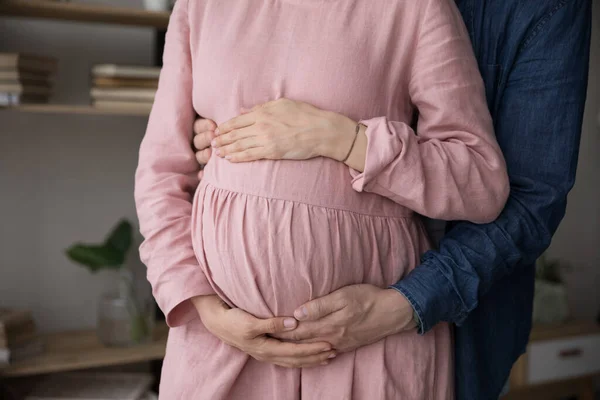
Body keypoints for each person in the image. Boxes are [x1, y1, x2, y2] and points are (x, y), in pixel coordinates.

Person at [191, 0, 593, 399]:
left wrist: (407, 304)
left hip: (437, 318)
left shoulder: (537, 9)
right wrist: (223, 134)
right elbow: (166, 165)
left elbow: (529, 198)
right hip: (233, 343)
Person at [135, 0, 511, 398]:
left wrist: (344, 140)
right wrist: (202, 306)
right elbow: (160, 172)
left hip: (370, 343)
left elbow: (480, 181)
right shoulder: (201, 6)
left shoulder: (415, 8)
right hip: (220, 345)